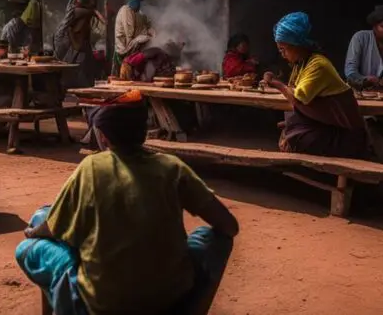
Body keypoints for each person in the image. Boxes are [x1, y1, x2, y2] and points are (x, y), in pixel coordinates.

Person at [16, 90, 238, 315]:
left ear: (103, 136)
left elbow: (54, 228)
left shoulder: (91, 167)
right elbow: (229, 226)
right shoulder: (172, 167)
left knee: (29, 247)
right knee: (213, 239)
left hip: (105, 304)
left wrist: (33, 233)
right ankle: (193, 307)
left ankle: (70, 306)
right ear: (143, 132)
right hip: (169, 297)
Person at [263, 12, 367, 158]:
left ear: (297, 45)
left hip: (345, 132)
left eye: (283, 49)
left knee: (295, 140)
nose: (282, 54)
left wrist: (275, 83)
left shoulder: (318, 65)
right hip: (326, 125)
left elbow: (298, 99)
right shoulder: (301, 64)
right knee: (289, 130)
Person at [52, 0, 104, 88]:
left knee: (84, 74)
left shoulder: (85, 12)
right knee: (76, 75)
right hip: (74, 46)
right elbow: (60, 32)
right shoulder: (75, 11)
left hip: (81, 46)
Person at [344, 4, 383, 90]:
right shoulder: (360, 38)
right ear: (374, 26)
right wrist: (366, 80)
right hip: (362, 96)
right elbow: (350, 72)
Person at [113, 0, 154, 73]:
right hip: (125, 51)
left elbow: (149, 27)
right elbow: (129, 38)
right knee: (145, 39)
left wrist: (156, 36)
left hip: (135, 48)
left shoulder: (141, 14)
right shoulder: (126, 11)